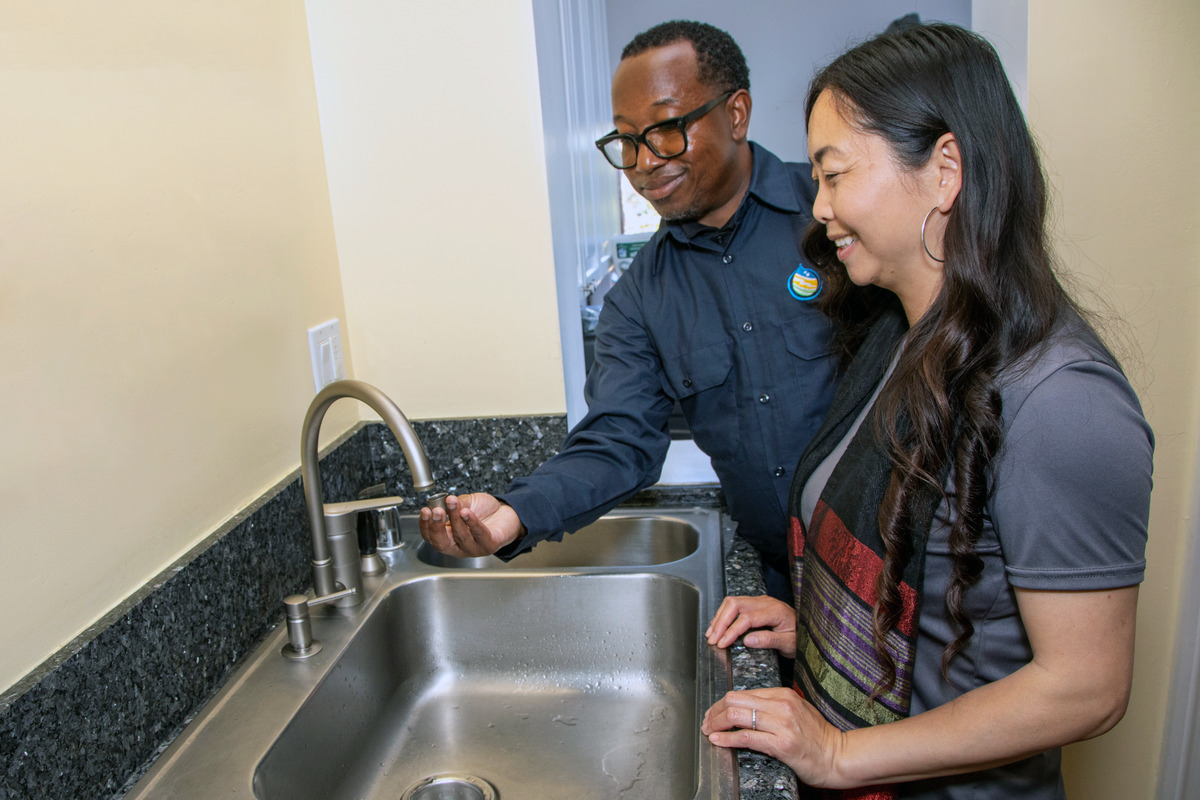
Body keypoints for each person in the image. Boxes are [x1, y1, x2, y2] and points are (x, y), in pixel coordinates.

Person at [701, 23, 1153, 800]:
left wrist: (839, 755)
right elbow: (930, 585)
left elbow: (1086, 688)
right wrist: (816, 629)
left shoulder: (1062, 400)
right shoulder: (896, 339)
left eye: (834, 174)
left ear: (944, 171)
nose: (820, 208)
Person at [419, 20, 838, 598]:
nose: (644, 162)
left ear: (736, 113)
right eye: (628, 140)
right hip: (785, 587)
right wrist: (514, 514)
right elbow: (618, 442)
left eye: (666, 129)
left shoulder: (832, 216)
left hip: (913, 572)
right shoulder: (639, 299)